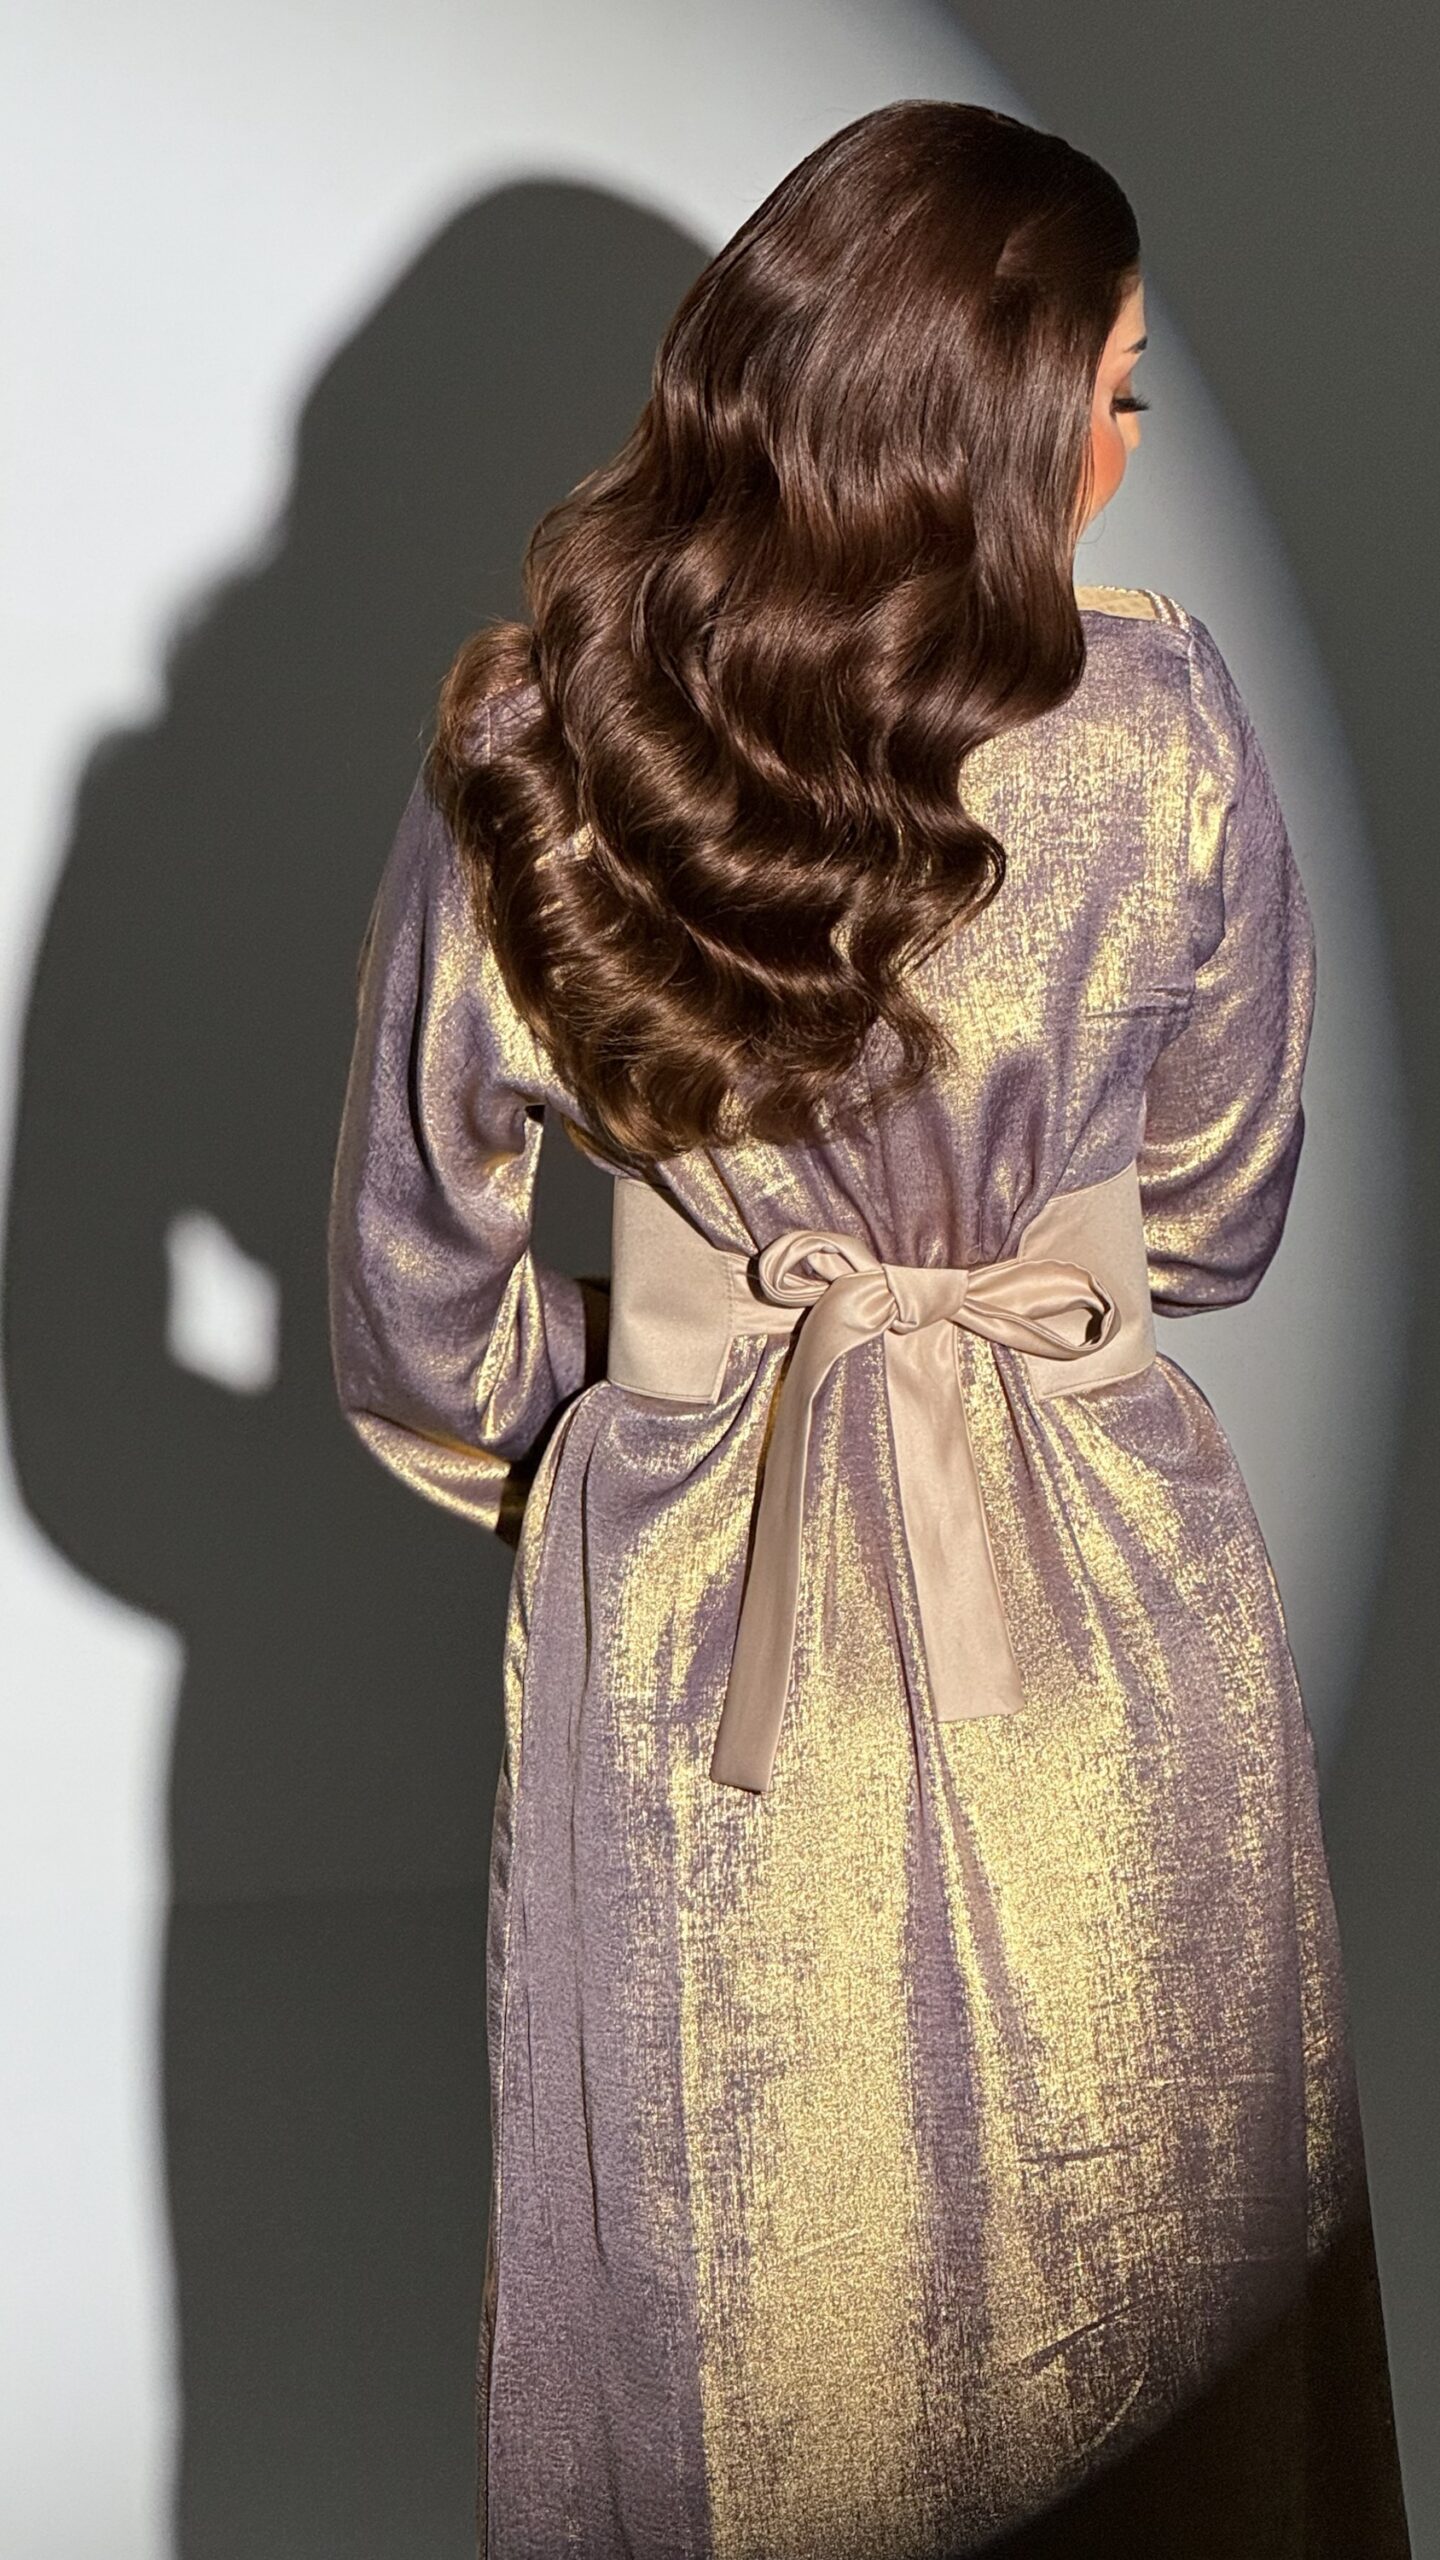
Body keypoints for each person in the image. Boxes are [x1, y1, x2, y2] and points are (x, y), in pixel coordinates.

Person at [326, 98, 1411, 2560]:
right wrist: (1004, 1283)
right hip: (1106, 1580)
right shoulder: (1172, 722)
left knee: (739, 2263)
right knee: (1153, 2246)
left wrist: (639, 1393)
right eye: (1105, 395)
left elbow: (415, 1311)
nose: (1119, 453)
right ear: (974, 420)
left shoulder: (537, 744)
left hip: (706, 1611)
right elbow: (1221, 1215)